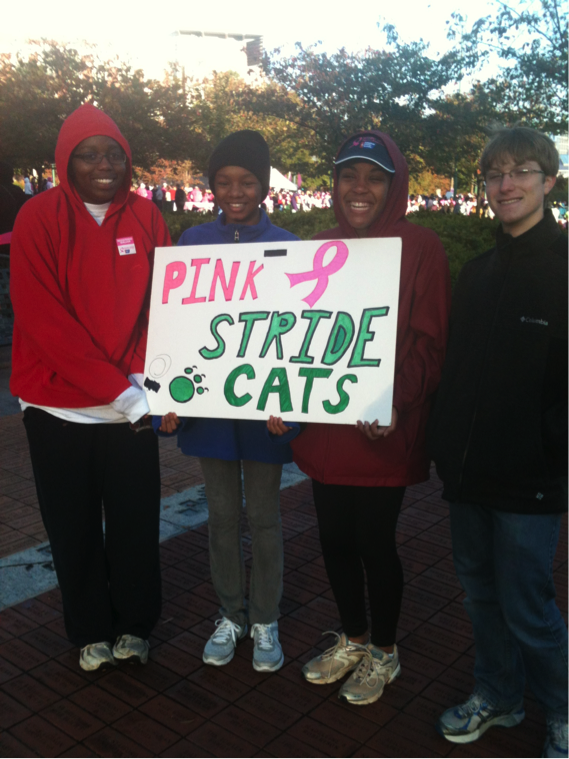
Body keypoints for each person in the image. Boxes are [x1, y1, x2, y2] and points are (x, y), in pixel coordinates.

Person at [269, 130, 451, 705]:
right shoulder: (318, 244)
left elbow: (430, 341)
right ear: (335, 183)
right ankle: (352, 637)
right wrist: (282, 397)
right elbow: (294, 338)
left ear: (393, 186)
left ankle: (385, 652)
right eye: (349, 175)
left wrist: (396, 401)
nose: (360, 188)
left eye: (374, 177)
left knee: (374, 540)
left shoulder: (420, 246)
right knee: (332, 537)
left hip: (382, 428)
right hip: (327, 431)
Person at [10, 103, 170, 672]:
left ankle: (134, 624)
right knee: (72, 525)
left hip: (130, 402)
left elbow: (162, 304)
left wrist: (140, 379)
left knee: (134, 522)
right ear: (65, 162)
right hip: (58, 407)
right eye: (87, 154)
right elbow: (43, 320)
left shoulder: (148, 217)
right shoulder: (38, 217)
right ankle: (90, 630)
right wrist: (121, 390)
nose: (103, 164)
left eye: (113, 153)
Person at [428, 127, 569, 759]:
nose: (506, 184)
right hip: (468, 473)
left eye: (521, 171)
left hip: (530, 480)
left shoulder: (564, 270)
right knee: (481, 597)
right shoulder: (478, 272)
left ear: (549, 179)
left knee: (530, 609)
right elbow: (457, 370)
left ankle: (563, 709)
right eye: (495, 174)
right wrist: (444, 440)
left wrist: (549, 452)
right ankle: (500, 694)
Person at [155, 130, 300, 673]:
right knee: (219, 517)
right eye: (223, 182)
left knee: (263, 518)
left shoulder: (289, 244)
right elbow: (173, 327)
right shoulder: (191, 242)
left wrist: (295, 404)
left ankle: (265, 618)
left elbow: (297, 333)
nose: (235, 191)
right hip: (210, 410)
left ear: (263, 185)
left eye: (246, 181)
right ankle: (231, 614)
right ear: (211, 186)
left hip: (265, 412)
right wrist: (165, 400)